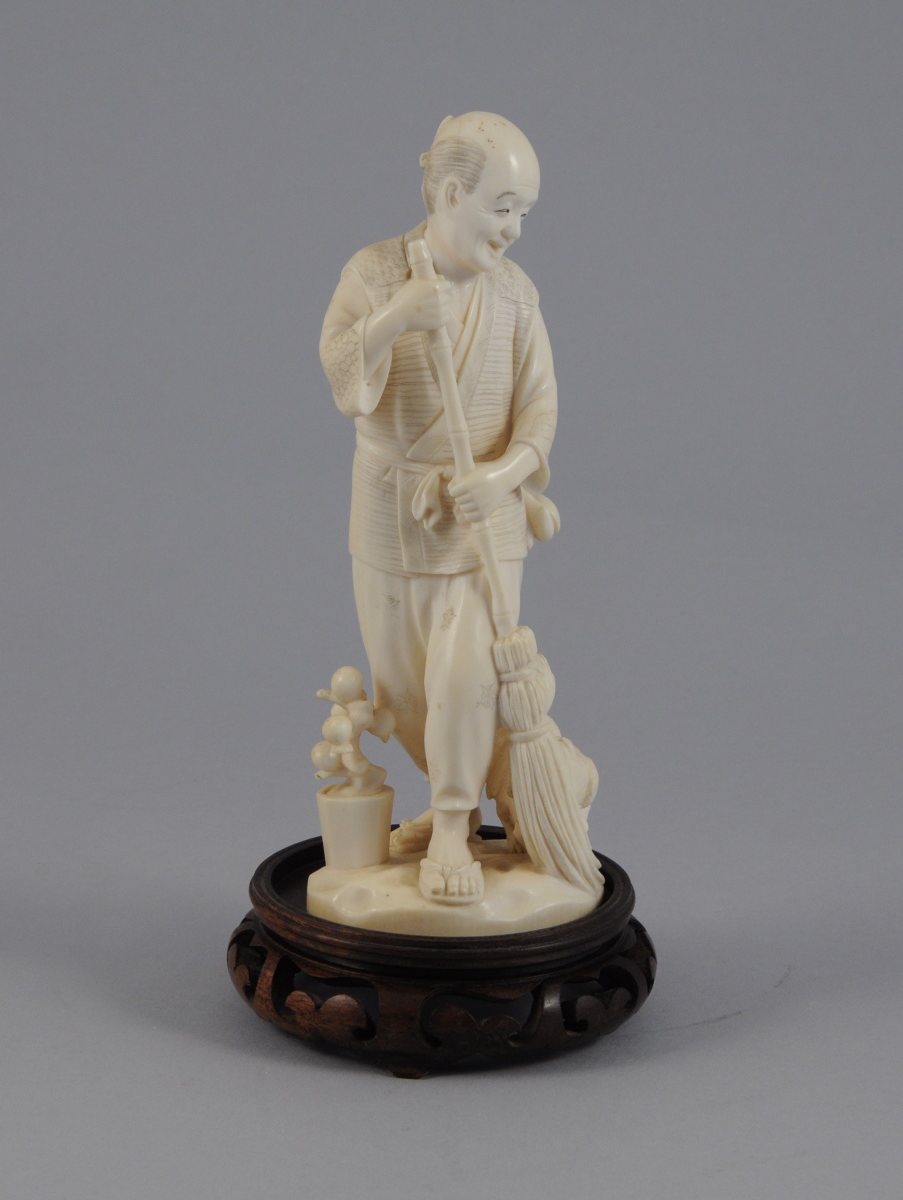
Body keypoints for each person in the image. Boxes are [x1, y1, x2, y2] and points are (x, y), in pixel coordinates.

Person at [319, 113, 559, 903]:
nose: (514, 229)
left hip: (480, 516)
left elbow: (540, 407)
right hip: (390, 509)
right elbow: (342, 374)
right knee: (404, 688)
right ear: (452, 194)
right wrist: (396, 319)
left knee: (466, 672)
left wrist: (502, 475)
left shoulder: (515, 297)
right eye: (502, 207)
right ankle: (453, 796)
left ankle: (455, 824)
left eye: (524, 212)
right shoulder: (375, 272)